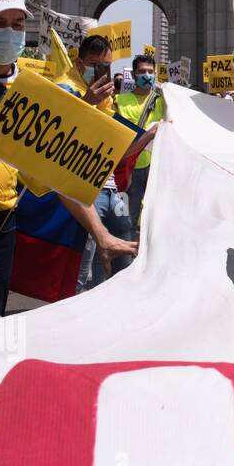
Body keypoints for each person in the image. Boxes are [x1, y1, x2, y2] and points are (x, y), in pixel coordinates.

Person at [0, 0, 135, 319]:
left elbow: (58, 171)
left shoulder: (36, 91)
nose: (10, 31)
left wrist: (101, 234)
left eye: (18, 24)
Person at [66, 34, 135, 288]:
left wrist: (147, 136)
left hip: (109, 184)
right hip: (80, 188)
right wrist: (87, 103)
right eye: (94, 65)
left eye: (105, 66)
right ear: (79, 63)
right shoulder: (66, 87)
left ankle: (112, 299)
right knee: (83, 260)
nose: (100, 72)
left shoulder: (108, 98)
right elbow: (58, 132)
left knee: (122, 235)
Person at [114, 53, 165, 225]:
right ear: (134, 74)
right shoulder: (119, 101)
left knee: (153, 218)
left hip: (155, 167)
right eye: (142, 71)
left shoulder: (163, 102)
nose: (147, 75)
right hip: (129, 168)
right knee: (125, 219)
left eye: (151, 71)